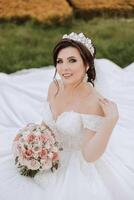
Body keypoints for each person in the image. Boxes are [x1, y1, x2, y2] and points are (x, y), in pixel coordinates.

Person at [0, 32, 134, 200]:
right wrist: (36, 141)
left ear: (86, 64)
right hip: (47, 154)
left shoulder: (93, 101)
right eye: (59, 61)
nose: (64, 68)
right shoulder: (54, 86)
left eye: (72, 60)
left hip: (76, 166)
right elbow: (47, 124)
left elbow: (89, 156)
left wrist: (110, 123)